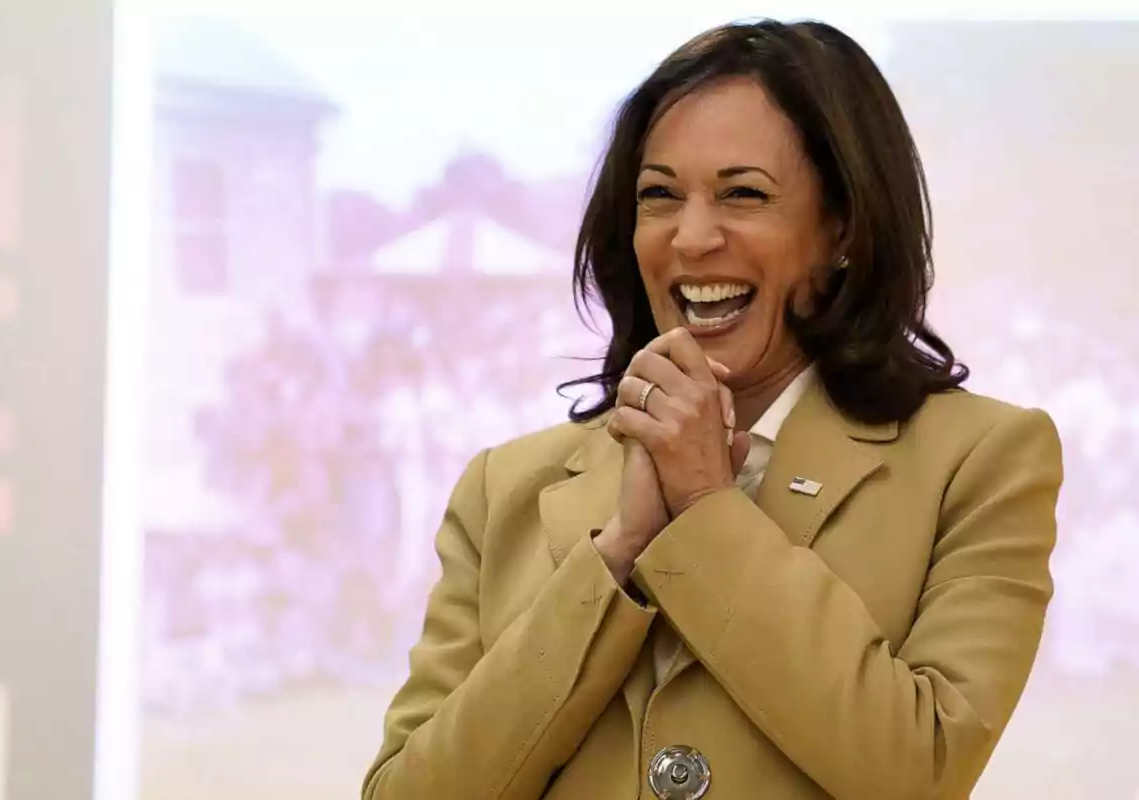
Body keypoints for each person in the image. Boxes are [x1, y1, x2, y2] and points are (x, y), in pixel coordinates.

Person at [362, 18, 1062, 800]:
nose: (691, 238)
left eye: (743, 195)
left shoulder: (983, 460)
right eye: (660, 196)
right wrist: (618, 556)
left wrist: (705, 509)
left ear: (844, 228)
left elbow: (918, 772)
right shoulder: (505, 489)